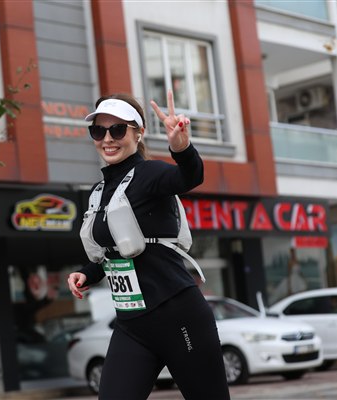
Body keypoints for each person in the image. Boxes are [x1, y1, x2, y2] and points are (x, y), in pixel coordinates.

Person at [67, 91, 230, 399]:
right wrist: (88, 273)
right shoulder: (99, 191)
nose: (107, 139)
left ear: (138, 133)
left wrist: (181, 147)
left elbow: (190, 176)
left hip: (178, 315)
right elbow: (114, 251)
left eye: (118, 130)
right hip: (132, 325)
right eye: (98, 131)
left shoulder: (150, 174)